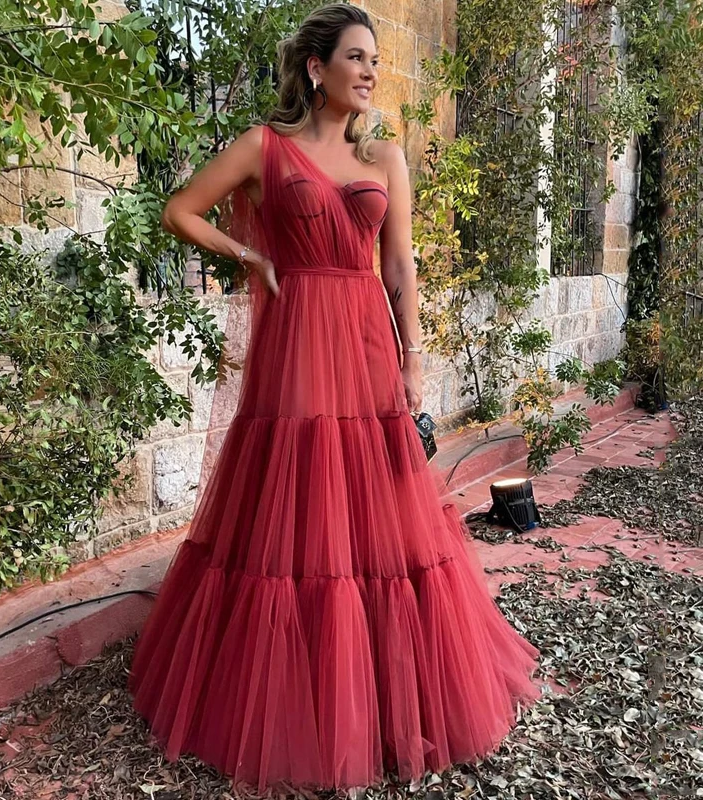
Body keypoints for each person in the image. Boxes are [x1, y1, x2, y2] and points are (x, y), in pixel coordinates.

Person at [127, 3, 541, 794]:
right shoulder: (265, 146)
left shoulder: (384, 157)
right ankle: (288, 690)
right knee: (296, 504)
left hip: (365, 343)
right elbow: (179, 210)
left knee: (375, 504)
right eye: (356, 57)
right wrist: (251, 256)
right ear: (317, 68)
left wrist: (413, 360)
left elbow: (400, 266)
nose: (370, 71)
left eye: (375, 60)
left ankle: (381, 694)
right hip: (296, 346)